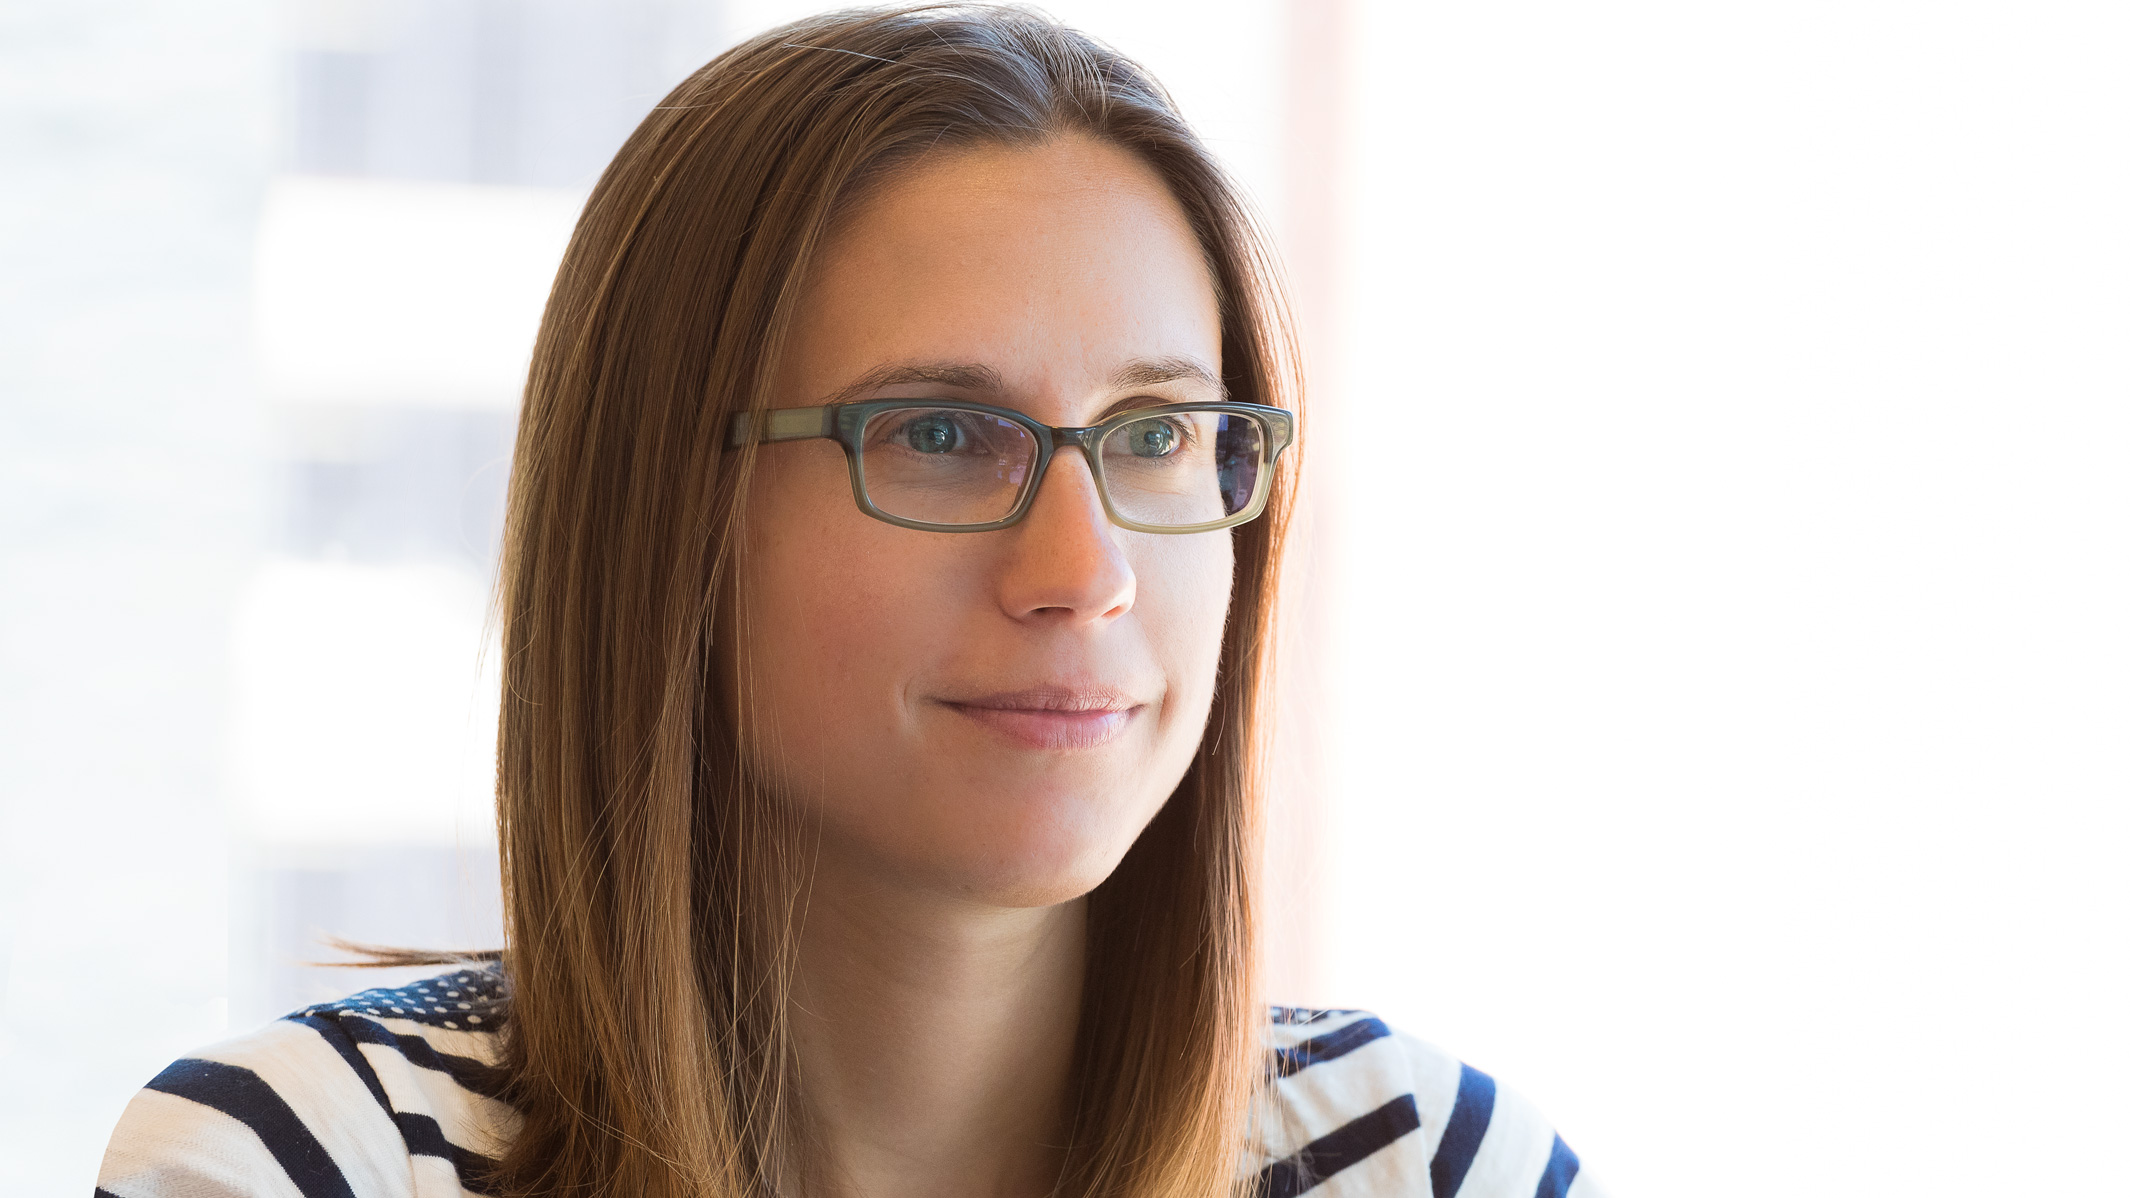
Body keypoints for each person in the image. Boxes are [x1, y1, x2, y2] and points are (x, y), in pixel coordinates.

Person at [96, 6, 1604, 1196]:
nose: (1083, 573)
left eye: (1152, 435)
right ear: (668, 517)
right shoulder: (314, 1162)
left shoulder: (1425, 1162)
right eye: (939, 436)